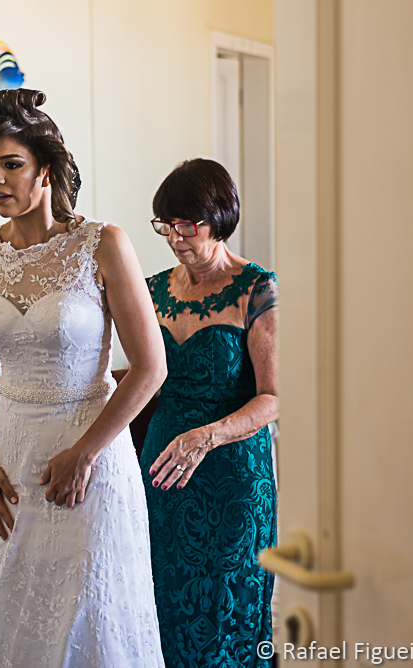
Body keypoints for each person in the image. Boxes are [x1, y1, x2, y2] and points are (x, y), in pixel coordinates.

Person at [0, 88, 167, 668]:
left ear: (45, 168)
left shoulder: (103, 244)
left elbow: (151, 368)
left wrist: (85, 453)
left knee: (90, 623)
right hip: (10, 458)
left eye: (11, 164)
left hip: (90, 456)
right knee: (16, 622)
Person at [140, 159, 278, 668]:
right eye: (166, 225)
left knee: (225, 611)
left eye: (187, 225)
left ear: (219, 217)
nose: (175, 238)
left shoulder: (257, 290)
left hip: (231, 476)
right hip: (162, 471)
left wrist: (209, 435)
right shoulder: (150, 290)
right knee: (161, 602)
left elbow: (275, 396)